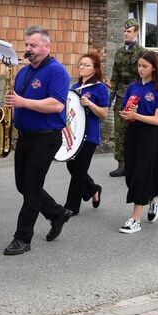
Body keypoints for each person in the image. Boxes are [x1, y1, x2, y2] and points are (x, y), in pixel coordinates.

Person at [3, 25, 72, 256]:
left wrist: (23, 103)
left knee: (31, 189)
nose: (28, 49)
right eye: (26, 45)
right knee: (22, 185)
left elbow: (57, 104)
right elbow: (18, 100)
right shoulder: (23, 72)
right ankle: (56, 213)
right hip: (26, 136)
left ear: (47, 46)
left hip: (46, 137)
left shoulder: (57, 71)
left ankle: (22, 238)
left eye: (32, 45)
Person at [118, 51, 158, 233]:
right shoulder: (133, 87)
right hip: (133, 132)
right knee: (131, 173)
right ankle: (154, 196)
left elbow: (157, 120)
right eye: (139, 66)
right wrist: (126, 114)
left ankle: (135, 219)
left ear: (153, 67)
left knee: (141, 173)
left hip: (150, 135)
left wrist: (136, 115)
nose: (140, 69)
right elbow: (125, 110)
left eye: (144, 66)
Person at [63, 52, 109, 215]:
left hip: (90, 135)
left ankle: (71, 207)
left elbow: (104, 113)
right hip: (75, 134)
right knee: (72, 166)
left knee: (80, 170)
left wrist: (90, 104)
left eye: (86, 65)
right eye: (80, 64)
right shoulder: (75, 87)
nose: (82, 67)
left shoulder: (100, 88)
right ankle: (93, 190)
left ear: (95, 69)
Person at [109, 19, 146, 177]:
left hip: (136, 95)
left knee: (136, 130)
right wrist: (112, 93)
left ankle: (138, 162)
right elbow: (115, 74)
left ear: (136, 33)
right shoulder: (119, 52)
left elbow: (146, 75)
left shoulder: (142, 52)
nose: (126, 33)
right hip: (120, 96)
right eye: (125, 31)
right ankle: (122, 164)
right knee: (119, 131)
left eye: (129, 31)